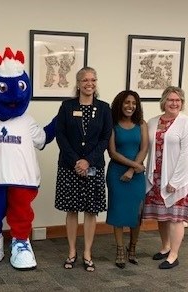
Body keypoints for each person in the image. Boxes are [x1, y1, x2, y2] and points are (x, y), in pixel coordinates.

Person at [54, 67, 112, 272]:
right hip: (70, 166)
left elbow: (105, 138)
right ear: (77, 83)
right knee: (71, 209)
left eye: (93, 79)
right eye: (85, 80)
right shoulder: (67, 106)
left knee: (90, 210)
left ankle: (87, 252)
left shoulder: (104, 108)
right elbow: (60, 135)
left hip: (93, 166)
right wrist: (76, 161)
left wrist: (88, 161)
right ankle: (71, 251)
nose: (90, 83)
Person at [143, 86, 188, 269]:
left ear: (182, 103)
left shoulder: (186, 123)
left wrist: (175, 181)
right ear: (163, 101)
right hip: (157, 177)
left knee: (175, 218)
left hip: (177, 179)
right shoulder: (152, 122)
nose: (174, 103)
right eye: (171, 100)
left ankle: (174, 255)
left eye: (178, 100)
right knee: (162, 216)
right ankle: (165, 247)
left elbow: (186, 154)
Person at [106, 90, 148, 269]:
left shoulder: (142, 124)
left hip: (136, 175)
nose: (130, 106)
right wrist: (134, 166)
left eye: (134, 103)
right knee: (118, 212)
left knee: (136, 213)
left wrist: (132, 169)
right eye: (127, 102)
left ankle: (133, 248)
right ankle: (120, 250)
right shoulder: (113, 124)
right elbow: (112, 152)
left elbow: (144, 149)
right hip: (117, 174)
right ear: (120, 104)